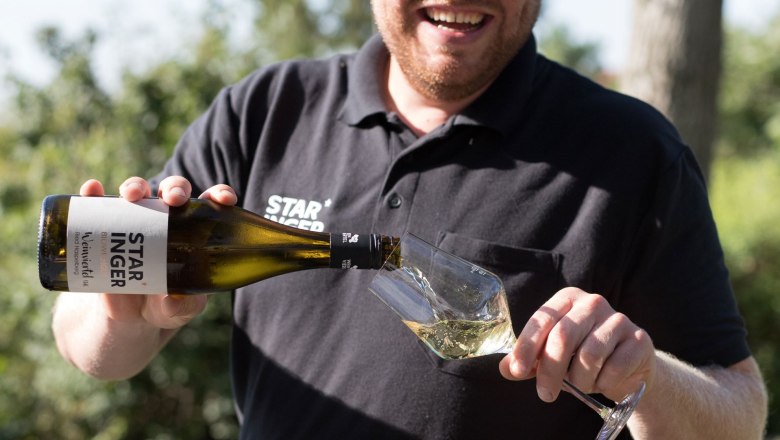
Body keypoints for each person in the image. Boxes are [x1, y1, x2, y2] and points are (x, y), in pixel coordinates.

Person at [52, 0, 768, 438]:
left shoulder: (632, 152)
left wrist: (646, 377)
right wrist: (125, 314)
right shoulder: (264, 110)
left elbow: (741, 414)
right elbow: (92, 350)